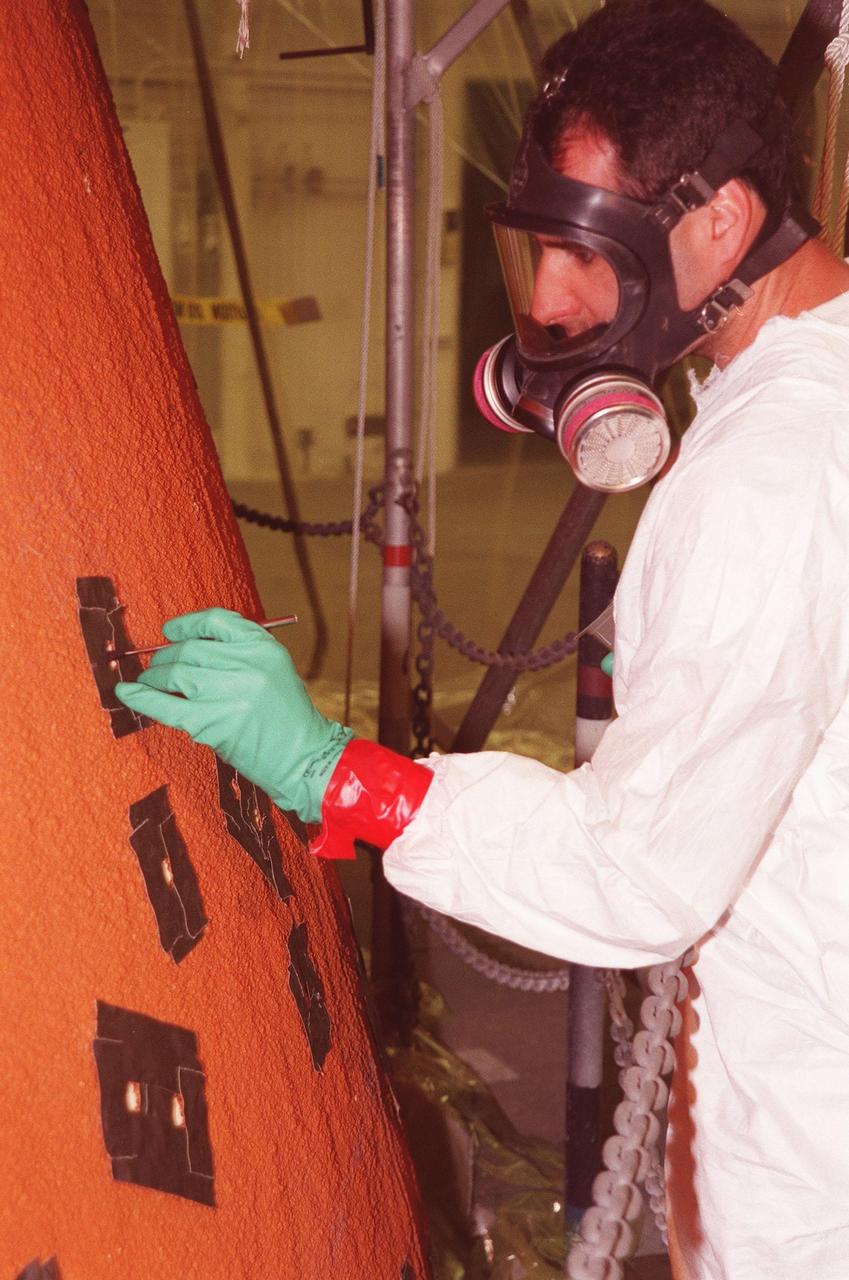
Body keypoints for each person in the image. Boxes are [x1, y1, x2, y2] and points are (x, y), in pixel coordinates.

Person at [117, 2, 849, 1276]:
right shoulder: (805, 392)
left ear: (721, 222)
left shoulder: (768, 477)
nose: (553, 307)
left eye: (584, 251)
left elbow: (641, 876)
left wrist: (339, 771)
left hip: (809, 1159)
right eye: (535, 255)